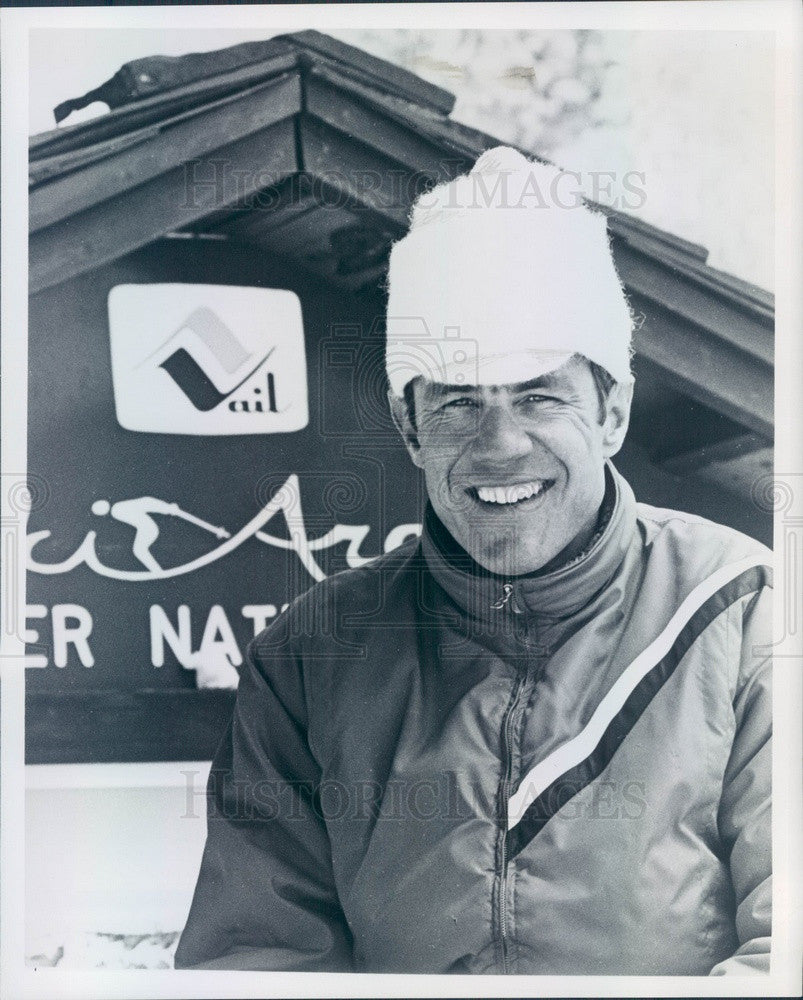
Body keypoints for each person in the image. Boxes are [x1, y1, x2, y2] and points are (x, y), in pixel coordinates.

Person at [174, 147, 771, 975]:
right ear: (409, 426)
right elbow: (257, 958)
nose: (499, 445)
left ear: (611, 411)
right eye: (457, 401)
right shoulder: (311, 655)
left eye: (537, 395)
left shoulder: (743, 611)